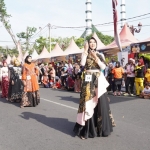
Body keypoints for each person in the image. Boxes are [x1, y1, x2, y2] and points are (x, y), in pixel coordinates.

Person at [73, 37, 115, 139]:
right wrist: (85, 51)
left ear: (96, 44)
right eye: (90, 42)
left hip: (98, 79)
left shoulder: (100, 54)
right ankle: (86, 130)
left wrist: (97, 58)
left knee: (101, 103)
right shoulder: (85, 54)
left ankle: (100, 128)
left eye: (94, 42)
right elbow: (82, 64)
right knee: (87, 103)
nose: (92, 44)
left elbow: (103, 67)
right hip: (88, 80)